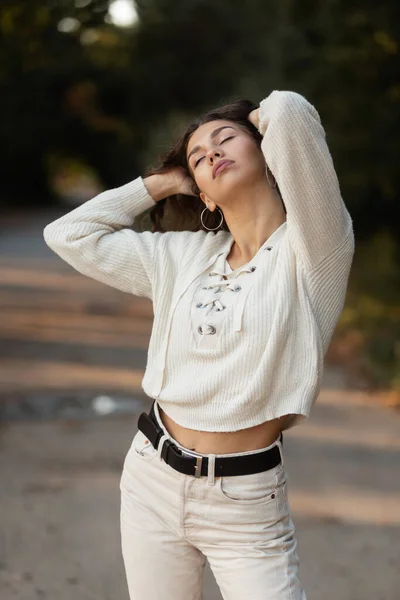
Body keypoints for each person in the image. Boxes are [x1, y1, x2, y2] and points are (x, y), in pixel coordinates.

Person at [43, 89, 355, 600]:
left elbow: (292, 112)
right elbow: (69, 233)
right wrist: (164, 183)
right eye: (198, 156)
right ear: (203, 195)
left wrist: (253, 119)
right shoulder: (182, 257)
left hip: (246, 503)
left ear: (267, 152)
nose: (211, 152)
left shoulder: (315, 249)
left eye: (226, 139)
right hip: (150, 479)